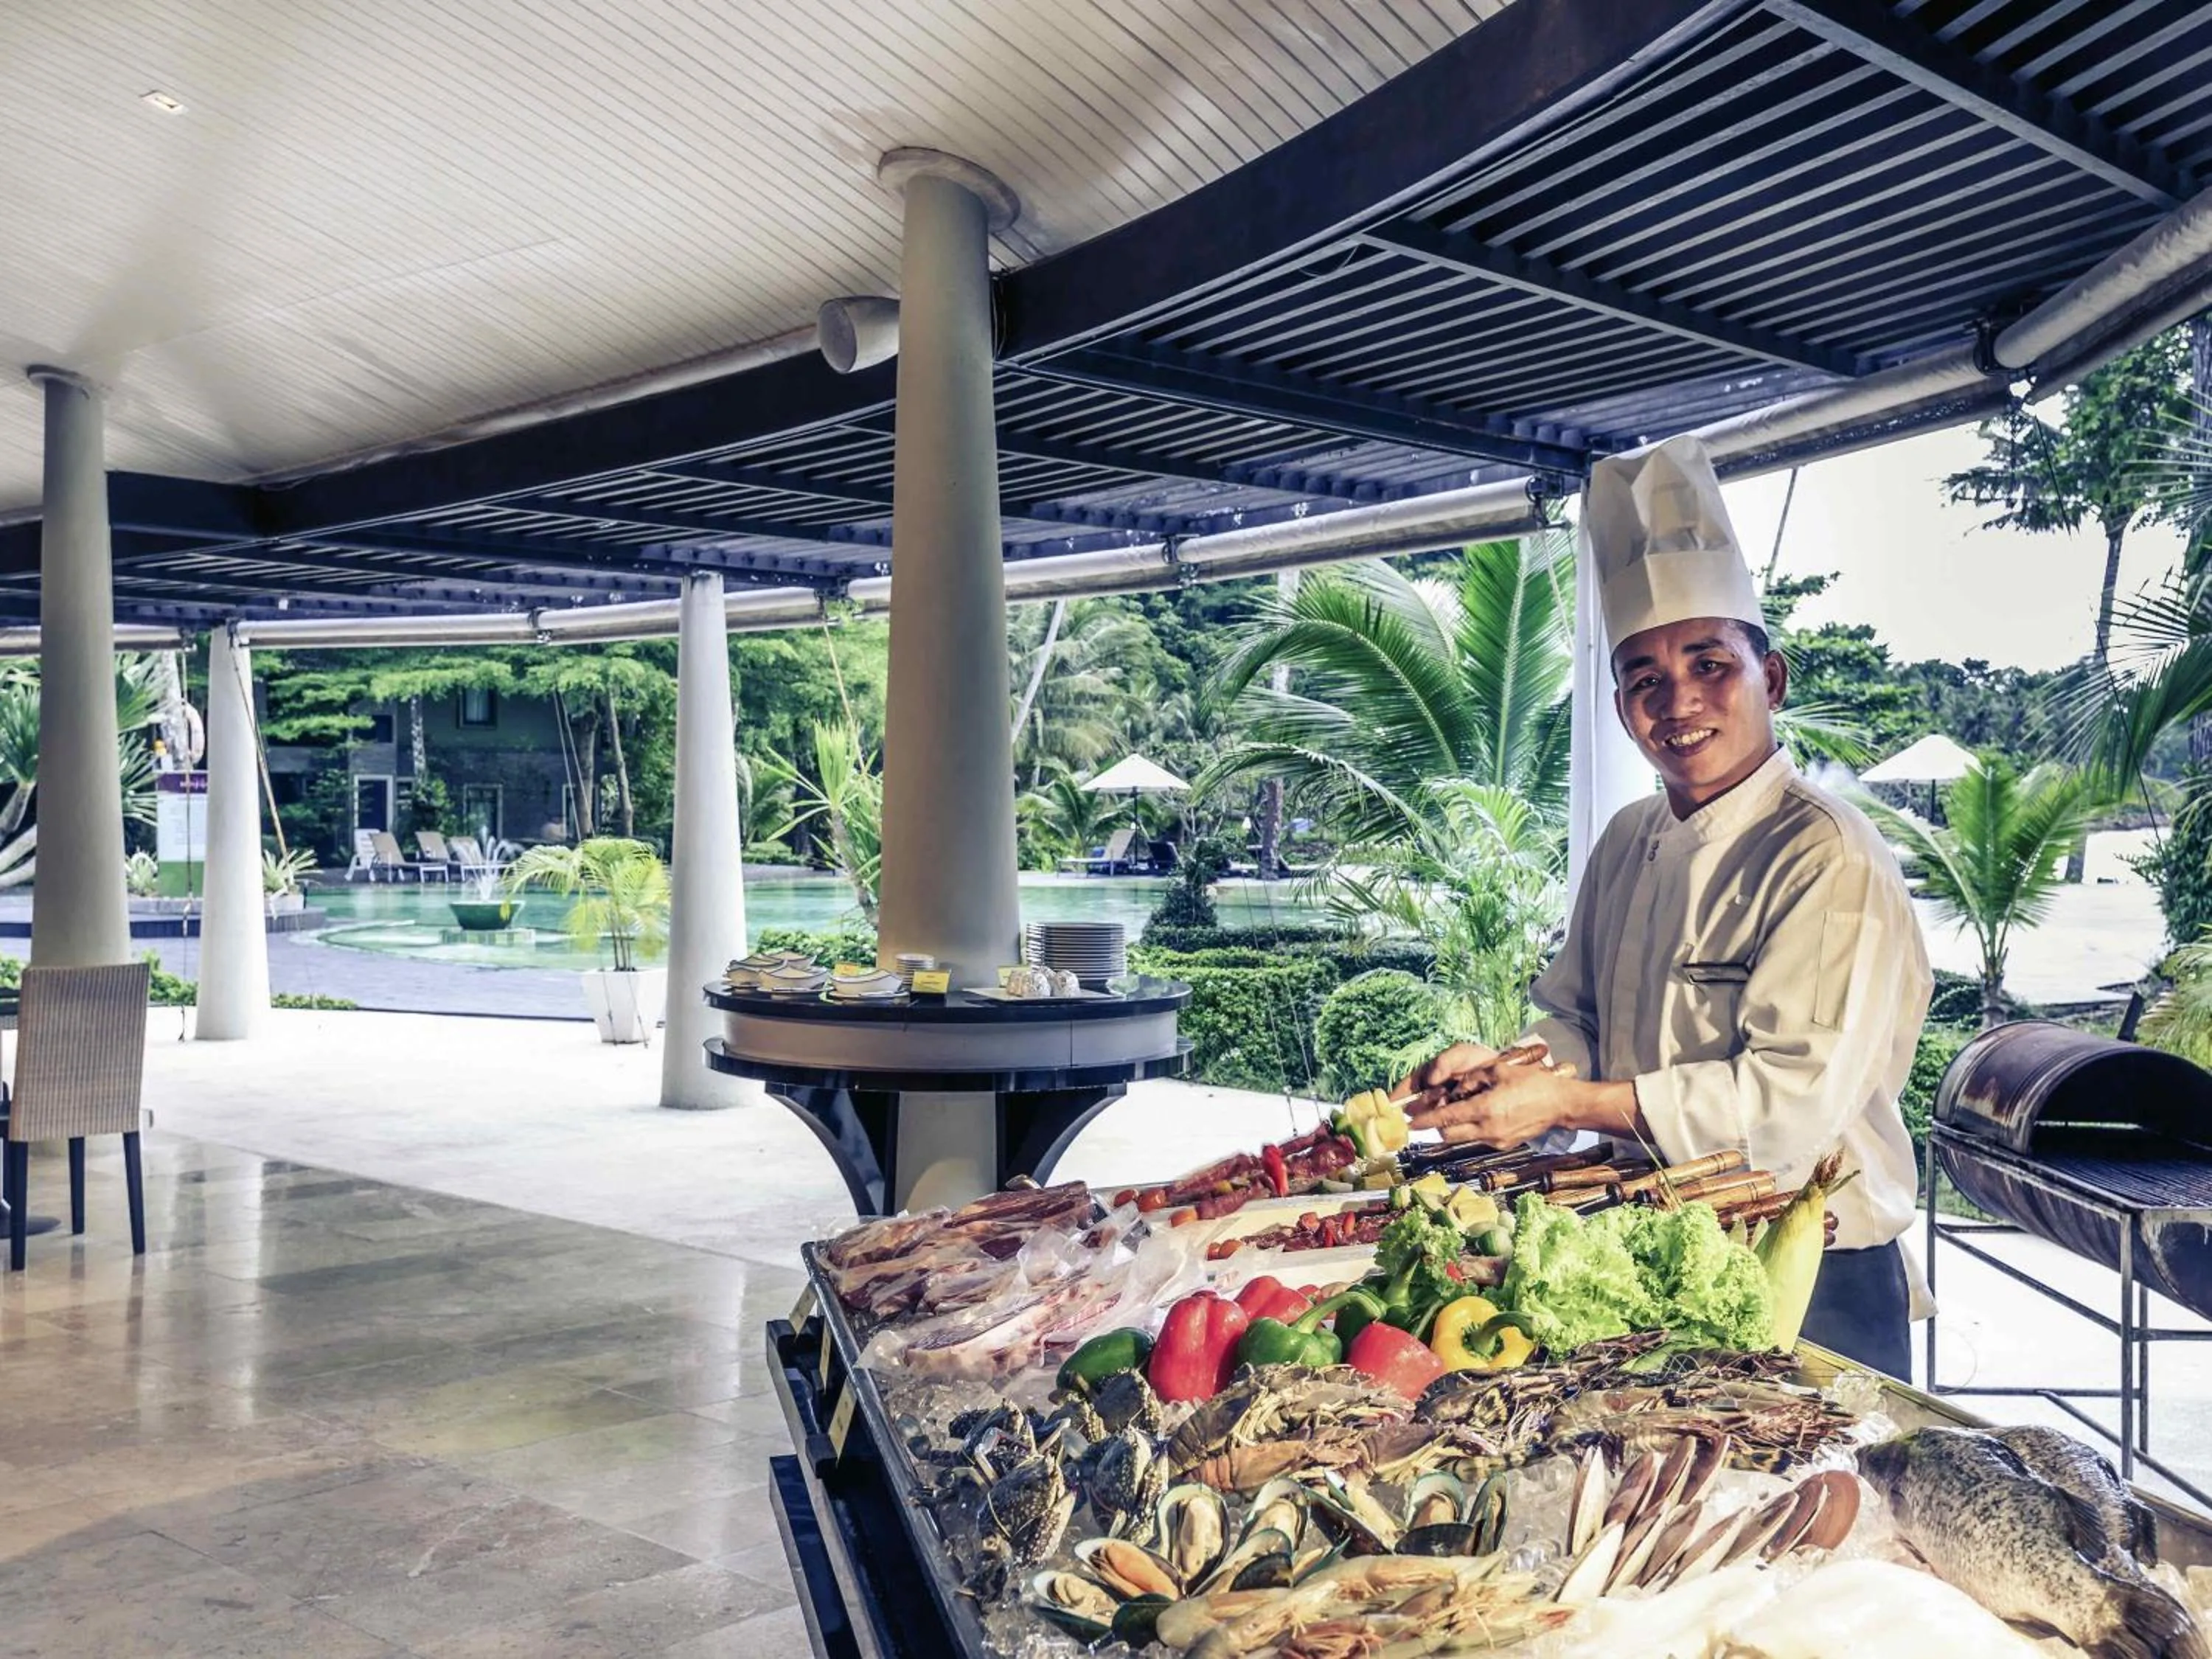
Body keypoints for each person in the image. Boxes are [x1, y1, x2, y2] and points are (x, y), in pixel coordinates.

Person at [1395, 434, 1930, 1377]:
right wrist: (1511, 1070)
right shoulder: (1628, 840)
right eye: (1645, 678)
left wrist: (1564, 1100)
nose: (1677, 700)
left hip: (1812, 1266)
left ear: (1771, 678)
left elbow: (1785, 1114)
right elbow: (1580, 1018)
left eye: (1709, 663)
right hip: (1657, 1250)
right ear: (1618, 705)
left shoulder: (1825, 856)